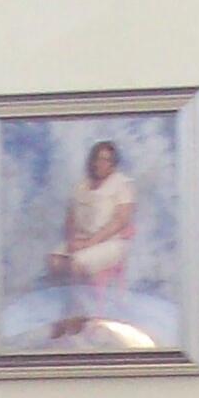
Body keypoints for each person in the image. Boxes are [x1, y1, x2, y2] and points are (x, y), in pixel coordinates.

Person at [43, 138, 138, 342]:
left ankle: (78, 313)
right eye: (97, 159)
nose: (100, 164)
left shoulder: (122, 184)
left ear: (113, 163)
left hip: (110, 242)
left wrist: (89, 243)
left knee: (77, 263)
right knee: (55, 261)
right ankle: (65, 310)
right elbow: (70, 218)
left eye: (106, 160)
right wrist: (71, 241)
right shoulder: (82, 186)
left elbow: (121, 221)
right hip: (81, 239)